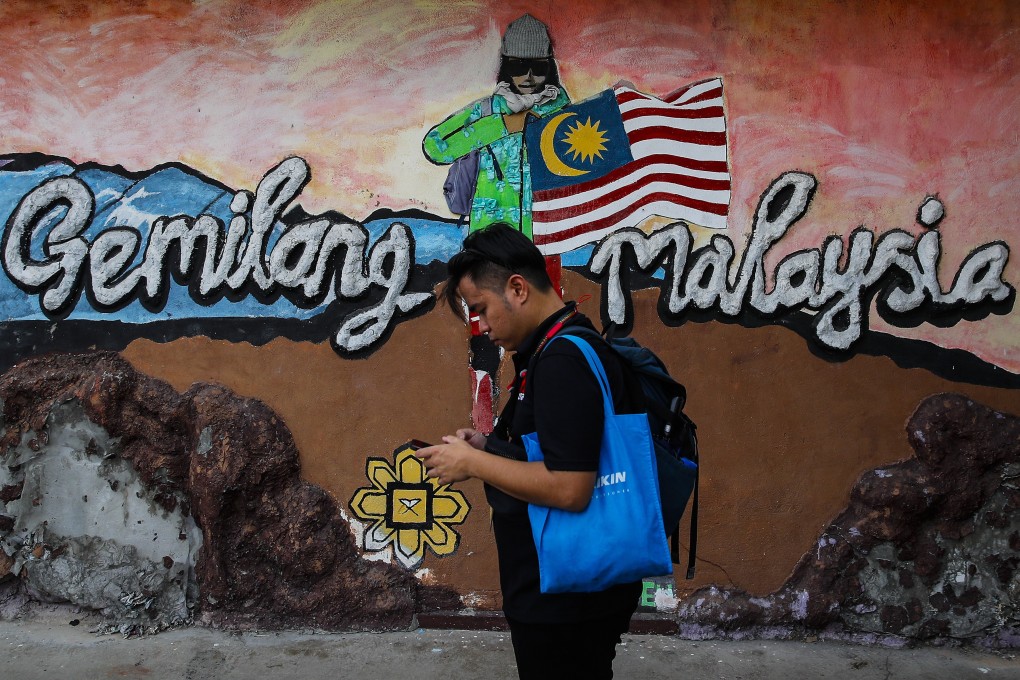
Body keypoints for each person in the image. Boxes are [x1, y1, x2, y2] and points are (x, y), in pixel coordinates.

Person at [417, 223, 642, 680]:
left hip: (564, 597)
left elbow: (571, 487)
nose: (480, 326)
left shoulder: (562, 360)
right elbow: (555, 449)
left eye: (480, 309)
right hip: (567, 588)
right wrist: (488, 446)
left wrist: (475, 463)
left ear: (517, 288)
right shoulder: (553, 348)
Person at [422, 14, 571, 240]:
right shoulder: (487, 110)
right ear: (506, 67)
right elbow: (434, 145)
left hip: (546, 235)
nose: (529, 77)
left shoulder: (561, 112)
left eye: (537, 67)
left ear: (549, 68)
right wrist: (502, 125)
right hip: (490, 234)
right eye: (519, 66)